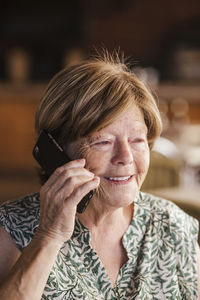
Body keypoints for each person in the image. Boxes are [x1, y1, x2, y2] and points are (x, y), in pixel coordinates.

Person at [0, 51, 199, 300]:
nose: (125, 157)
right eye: (103, 142)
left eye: (137, 140)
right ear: (56, 149)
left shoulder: (173, 226)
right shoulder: (10, 227)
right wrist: (48, 237)